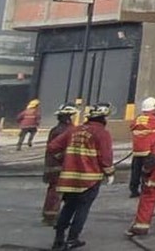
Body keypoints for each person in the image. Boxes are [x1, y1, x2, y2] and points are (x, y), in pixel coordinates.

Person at [47, 103, 115, 251]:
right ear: (103, 118)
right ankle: (72, 239)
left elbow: (52, 147)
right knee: (82, 209)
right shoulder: (102, 133)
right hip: (89, 179)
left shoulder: (74, 130)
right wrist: (109, 173)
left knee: (68, 207)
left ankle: (58, 240)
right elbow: (106, 158)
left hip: (69, 178)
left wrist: (63, 158)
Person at [41, 105, 77, 226]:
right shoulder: (65, 131)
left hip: (54, 166)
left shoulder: (56, 129)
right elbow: (58, 150)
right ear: (68, 118)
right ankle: (51, 217)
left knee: (56, 191)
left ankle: (53, 215)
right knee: (56, 192)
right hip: (60, 166)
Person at [129, 97, 155, 199]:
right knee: (147, 171)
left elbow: (132, 126)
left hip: (137, 151)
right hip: (149, 150)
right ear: (154, 108)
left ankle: (133, 190)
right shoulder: (154, 120)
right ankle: (145, 189)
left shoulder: (138, 119)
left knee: (135, 171)